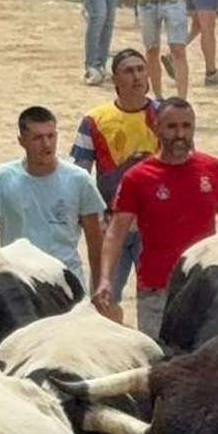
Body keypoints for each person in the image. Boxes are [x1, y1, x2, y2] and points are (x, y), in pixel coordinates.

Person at [96, 98, 218, 339]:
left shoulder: (214, 169)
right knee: (159, 363)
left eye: (187, 126)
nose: (180, 134)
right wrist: (105, 279)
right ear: (156, 127)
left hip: (205, 285)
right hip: (157, 290)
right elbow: (115, 233)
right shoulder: (137, 177)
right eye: (172, 127)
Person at [0, 105, 105, 277]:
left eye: (51, 136)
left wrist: (98, 287)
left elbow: (95, 240)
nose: (46, 144)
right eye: (37, 138)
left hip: (64, 281)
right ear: (21, 140)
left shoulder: (79, 180)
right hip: (17, 281)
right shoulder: (0, 179)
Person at [71, 46, 160, 306]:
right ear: (115, 80)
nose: (137, 77)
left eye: (141, 69)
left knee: (156, 299)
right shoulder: (94, 120)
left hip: (153, 223)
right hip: (111, 223)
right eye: (129, 71)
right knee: (103, 297)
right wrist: (91, 218)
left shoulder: (166, 116)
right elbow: (81, 175)